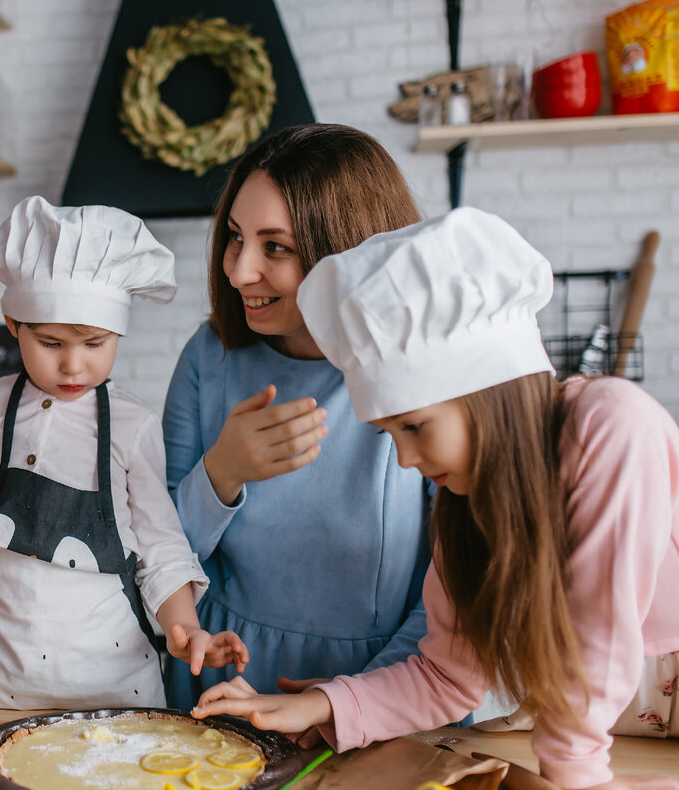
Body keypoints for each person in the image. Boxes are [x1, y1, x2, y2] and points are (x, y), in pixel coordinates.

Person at [193, 207, 679, 790]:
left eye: (415, 427)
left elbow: (596, 634)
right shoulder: (467, 504)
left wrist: (573, 771)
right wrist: (325, 706)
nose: (405, 459)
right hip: (590, 726)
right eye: (390, 433)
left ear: (486, 393)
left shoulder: (610, 427)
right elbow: (445, 677)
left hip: (594, 721)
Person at [0, 196, 249, 709]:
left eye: (95, 344)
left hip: (115, 691)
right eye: (52, 344)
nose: (74, 367)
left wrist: (186, 628)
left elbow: (161, 548)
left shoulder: (133, 425)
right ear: (13, 322)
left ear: (118, 331)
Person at [162, 124, 433, 711]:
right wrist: (220, 473)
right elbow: (154, 554)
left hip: (385, 688)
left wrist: (350, 703)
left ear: (347, 249)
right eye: (235, 237)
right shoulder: (210, 357)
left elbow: (457, 605)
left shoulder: (423, 375)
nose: (238, 271)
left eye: (275, 247)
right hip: (222, 681)